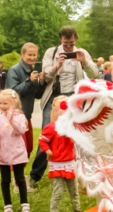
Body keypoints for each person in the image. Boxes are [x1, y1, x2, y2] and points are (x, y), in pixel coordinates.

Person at [30, 26, 98, 189]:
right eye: (66, 43)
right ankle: (34, 177)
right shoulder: (51, 53)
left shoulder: (82, 52)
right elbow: (45, 77)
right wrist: (56, 66)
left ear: (76, 40)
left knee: (79, 137)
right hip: (54, 98)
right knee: (47, 135)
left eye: (71, 44)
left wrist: (85, 62)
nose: (68, 47)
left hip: (74, 99)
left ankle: (82, 175)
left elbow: (96, 74)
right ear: (61, 40)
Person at [39, 96, 81, 212]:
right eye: (64, 107)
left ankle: (77, 211)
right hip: (57, 164)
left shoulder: (73, 126)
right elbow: (42, 140)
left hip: (69, 162)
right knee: (57, 191)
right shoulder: (51, 127)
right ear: (57, 110)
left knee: (74, 190)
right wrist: (47, 151)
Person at [6, 42, 45, 178]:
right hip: (16, 116)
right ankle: (18, 180)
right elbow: (12, 92)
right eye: (30, 55)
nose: (33, 58)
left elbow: (37, 95)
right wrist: (29, 80)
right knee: (19, 151)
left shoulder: (32, 71)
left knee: (28, 148)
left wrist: (40, 82)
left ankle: (18, 177)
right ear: (22, 54)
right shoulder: (14, 70)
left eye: (34, 55)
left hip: (26, 117)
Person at [0, 89, 31, 212]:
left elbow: (21, 130)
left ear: (13, 104)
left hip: (18, 153)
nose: (3, 106)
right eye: (1, 103)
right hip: (3, 154)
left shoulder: (20, 117)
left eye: (6, 103)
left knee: (20, 179)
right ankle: (7, 205)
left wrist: (12, 120)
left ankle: (24, 203)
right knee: (5, 180)